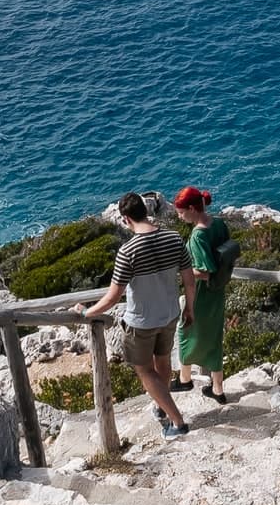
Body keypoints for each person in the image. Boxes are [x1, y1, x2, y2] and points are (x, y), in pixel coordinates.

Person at [82, 190, 194, 437]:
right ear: (146, 211)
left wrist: (86, 312)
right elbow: (189, 279)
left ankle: (177, 422)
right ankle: (161, 406)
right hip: (170, 314)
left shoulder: (127, 251)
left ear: (126, 219)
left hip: (141, 322)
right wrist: (189, 308)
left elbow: (112, 297)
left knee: (144, 371)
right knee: (163, 362)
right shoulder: (174, 238)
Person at [171, 186, 239, 403]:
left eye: (181, 212)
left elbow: (205, 271)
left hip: (202, 293)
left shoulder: (198, 235)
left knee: (185, 331)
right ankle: (218, 390)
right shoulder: (218, 223)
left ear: (192, 209)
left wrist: (181, 270)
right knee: (214, 337)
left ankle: (185, 379)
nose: (180, 217)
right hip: (218, 291)